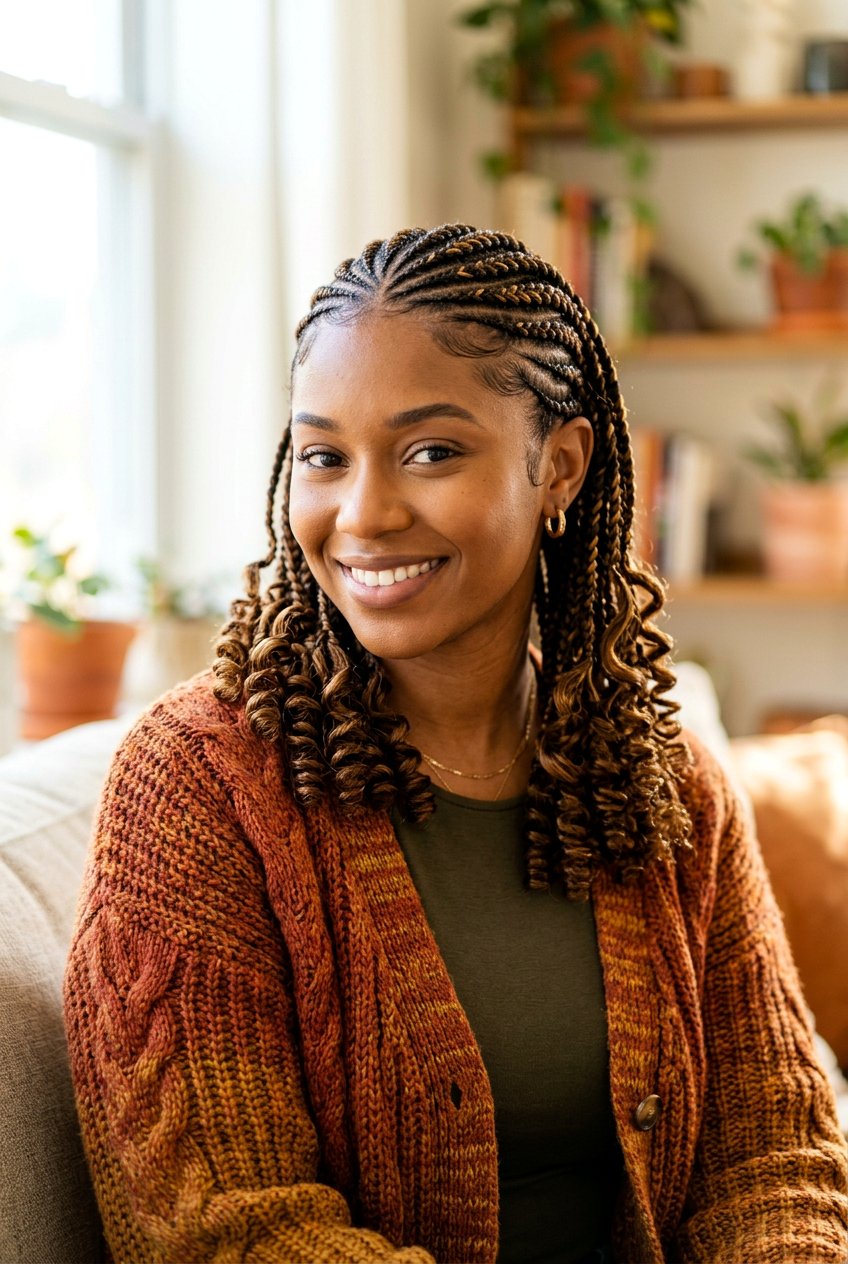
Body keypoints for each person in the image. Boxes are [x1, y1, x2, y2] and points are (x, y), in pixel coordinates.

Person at [64, 225, 848, 1264]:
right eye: (323, 457)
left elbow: (775, 1158)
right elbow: (228, 1228)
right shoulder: (199, 784)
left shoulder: (662, 786)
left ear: (557, 465)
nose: (364, 512)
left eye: (430, 450)